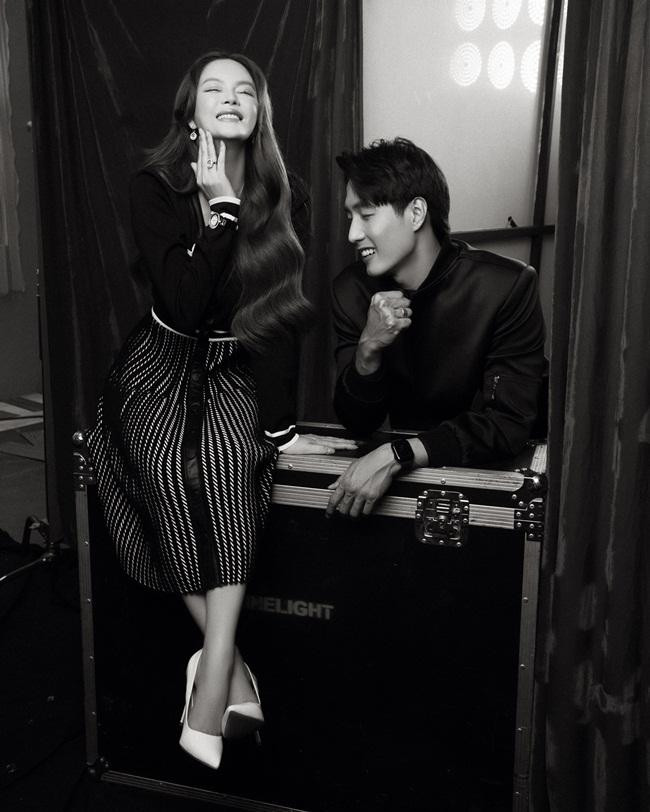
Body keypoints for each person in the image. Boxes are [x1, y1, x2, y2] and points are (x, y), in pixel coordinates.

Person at [87, 50, 355, 769]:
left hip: (236, 364)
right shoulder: (155, 187)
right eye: (215, 88)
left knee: (230, 462)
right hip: (159, 361)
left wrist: (280, 427)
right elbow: (181, 302)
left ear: (259, 112)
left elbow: (275, 315)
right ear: (191, 113)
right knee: (162, 467)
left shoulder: (287, 194)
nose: (231, 97)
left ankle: (209, 685)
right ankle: (228, 672)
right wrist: (222, 209)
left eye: (245, 90)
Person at [326, 137, 545, 518]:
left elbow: (508, 423)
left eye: (367, 215)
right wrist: (367, 351)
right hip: (399, 484)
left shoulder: (507, 286)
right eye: (350, 217)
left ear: (416, 213)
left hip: (486, 479)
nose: (353, 234)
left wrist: (398, 454)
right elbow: (357, 423)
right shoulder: (351, 290)